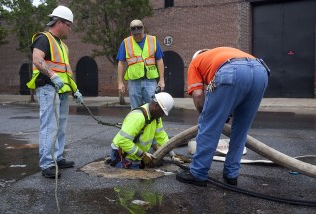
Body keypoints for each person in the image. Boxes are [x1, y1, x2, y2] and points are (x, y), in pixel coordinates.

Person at [176, 47, 269, 186]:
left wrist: (206, 115)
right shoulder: (221, 53)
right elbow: (236, 94)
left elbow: (198, 95)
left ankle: (198, 173)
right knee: (241, 130)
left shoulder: (196, 62)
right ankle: (231, 175)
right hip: (260, 71)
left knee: (209, 125)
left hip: (232, 71)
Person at [26, 5, 83, 179]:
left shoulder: (63, 46)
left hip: (62, 91)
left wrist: (75, 89)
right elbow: (37, 59)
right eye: (69, 25)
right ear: (59, 22)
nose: (70, 29)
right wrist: (52, 75)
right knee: (50, 126)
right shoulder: (44, 38)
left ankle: (57, 157)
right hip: (48, 87)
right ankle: (47, 163)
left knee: (61, 127)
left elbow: (66, 71)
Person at [109, 92, 183, 169]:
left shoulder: (156, 118)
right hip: (122, 156)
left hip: (136, 156)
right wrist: (143, 155)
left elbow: (161, 137)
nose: (162, 115)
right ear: (156, 106)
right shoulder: (138, 117)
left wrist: (172, 155)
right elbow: (123, 140)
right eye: (162, 112)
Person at [116, 19, 165, 109]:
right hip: (134, 82)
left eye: (139, 33)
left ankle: (152, 123)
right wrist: (120, 82)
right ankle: (138, 123)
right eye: (135, 34)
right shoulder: (126, 43)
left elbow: (159, 60)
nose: (138, 36)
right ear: (131, 32)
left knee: (153, 107)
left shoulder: (152, 40)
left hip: (150, 81)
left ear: (143, 29)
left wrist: (161, 80)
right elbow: (121, 63)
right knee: (135, 109)